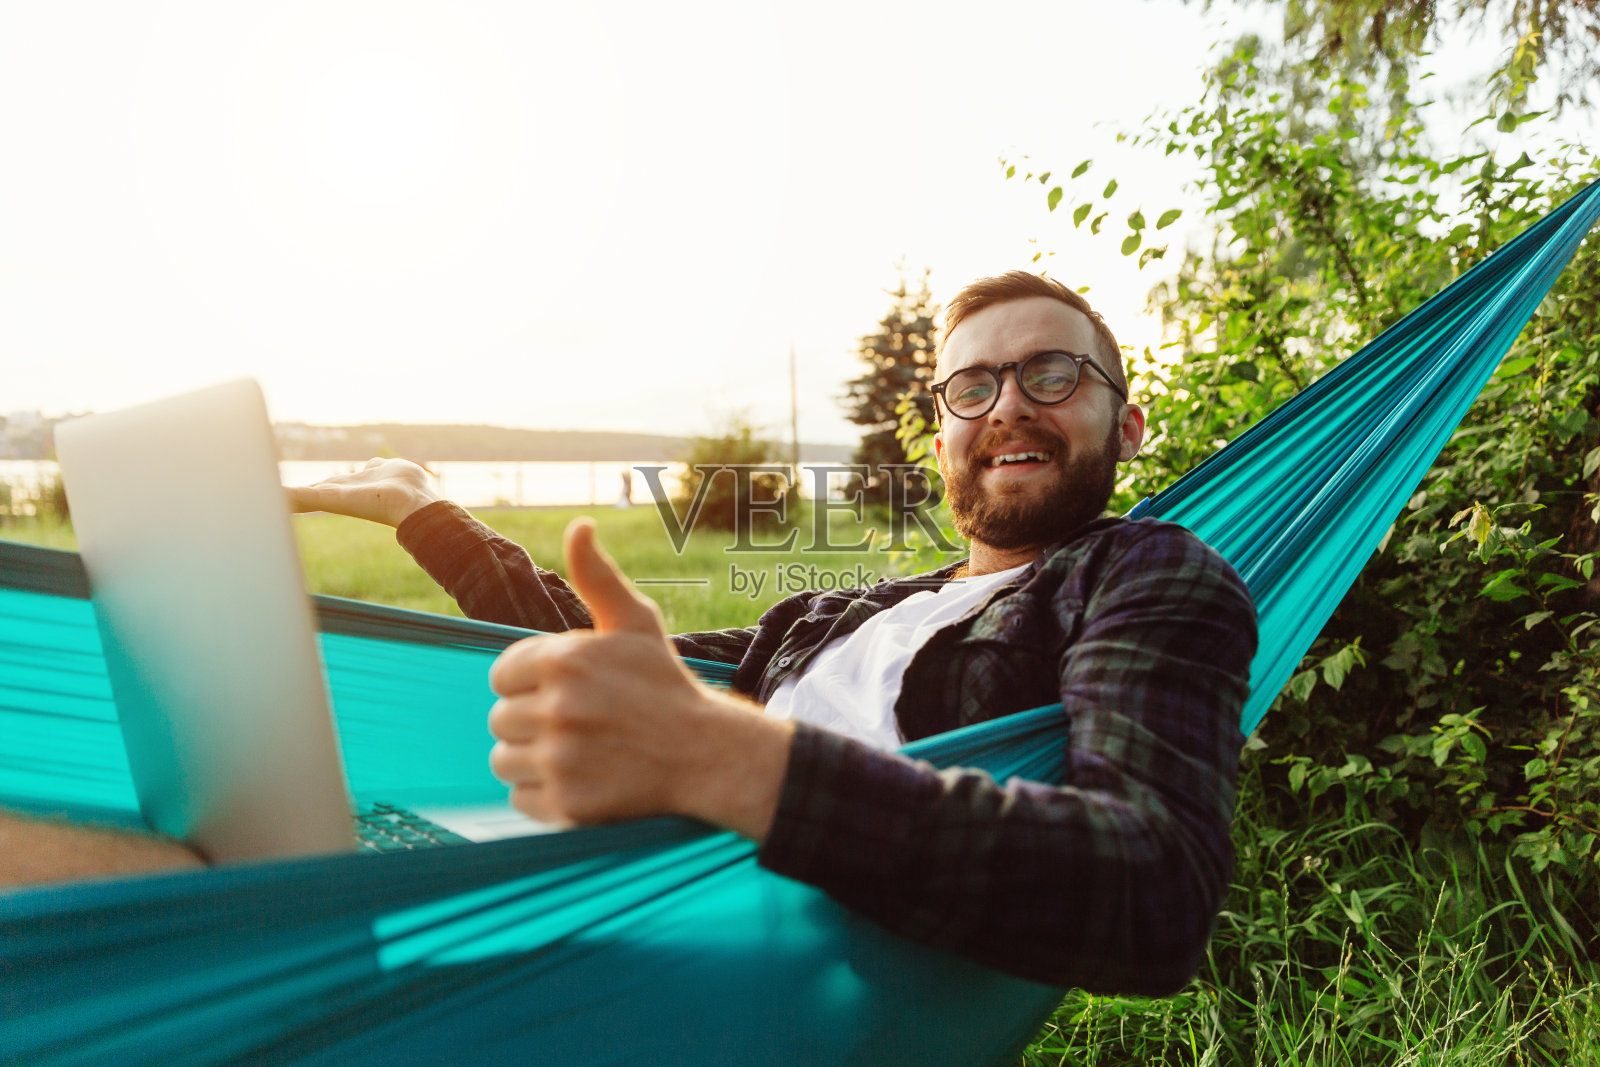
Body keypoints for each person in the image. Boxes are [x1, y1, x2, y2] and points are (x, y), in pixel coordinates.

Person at [0, 272, 1256, 996]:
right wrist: (426, 512)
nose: (1005, 406)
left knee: (201, 912)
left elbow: (1151, 893)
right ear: (937, 432)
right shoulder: (839, 612)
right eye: (969, 386)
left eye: (1052, 373)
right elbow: (606, 663)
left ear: (1126, 423)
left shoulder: (1141, 575)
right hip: (578, 867)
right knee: (161, 853)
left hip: (713, 939)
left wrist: (717, 758)